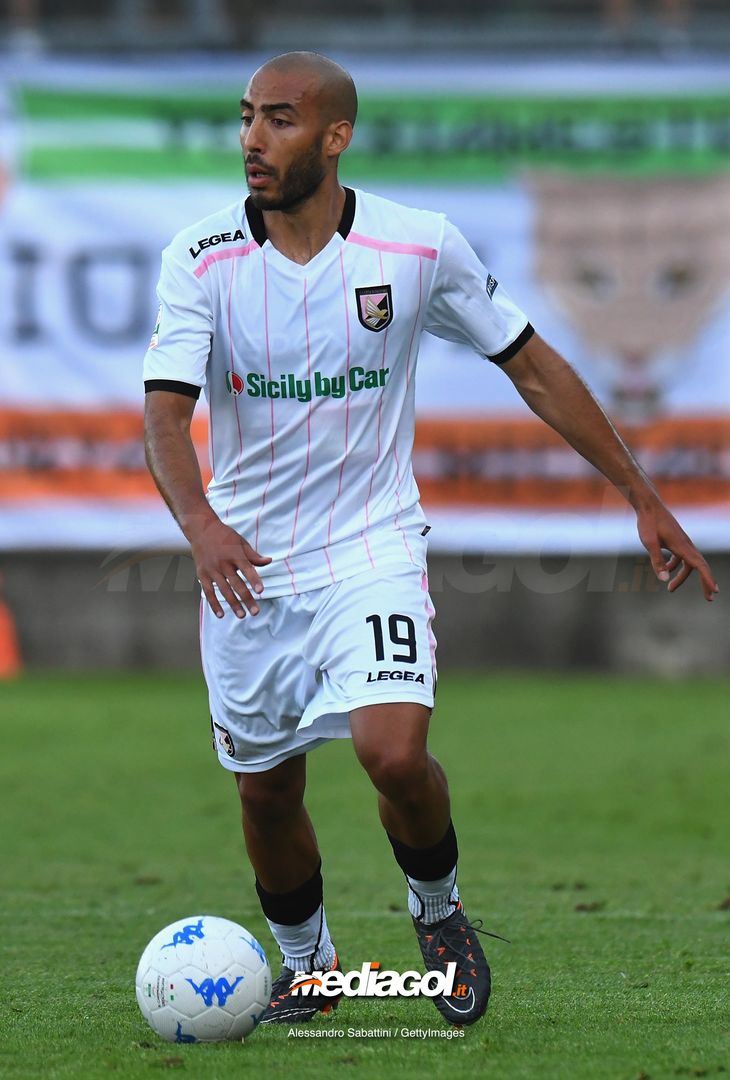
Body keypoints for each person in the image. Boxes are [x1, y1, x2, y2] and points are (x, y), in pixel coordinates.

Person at [143, 52, 718, 1028]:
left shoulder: (417, 247)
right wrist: (200, 525)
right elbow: (163, 416)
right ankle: (306, 965)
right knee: (264, 795)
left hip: (373, 547)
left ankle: (438, 912)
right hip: (247, 567)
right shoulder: (199, 257)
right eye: (246, 118)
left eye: (279, 121)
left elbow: (531, 365)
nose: (251, 140)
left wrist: (641, 494)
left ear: (335, 137)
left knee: (395, 754)